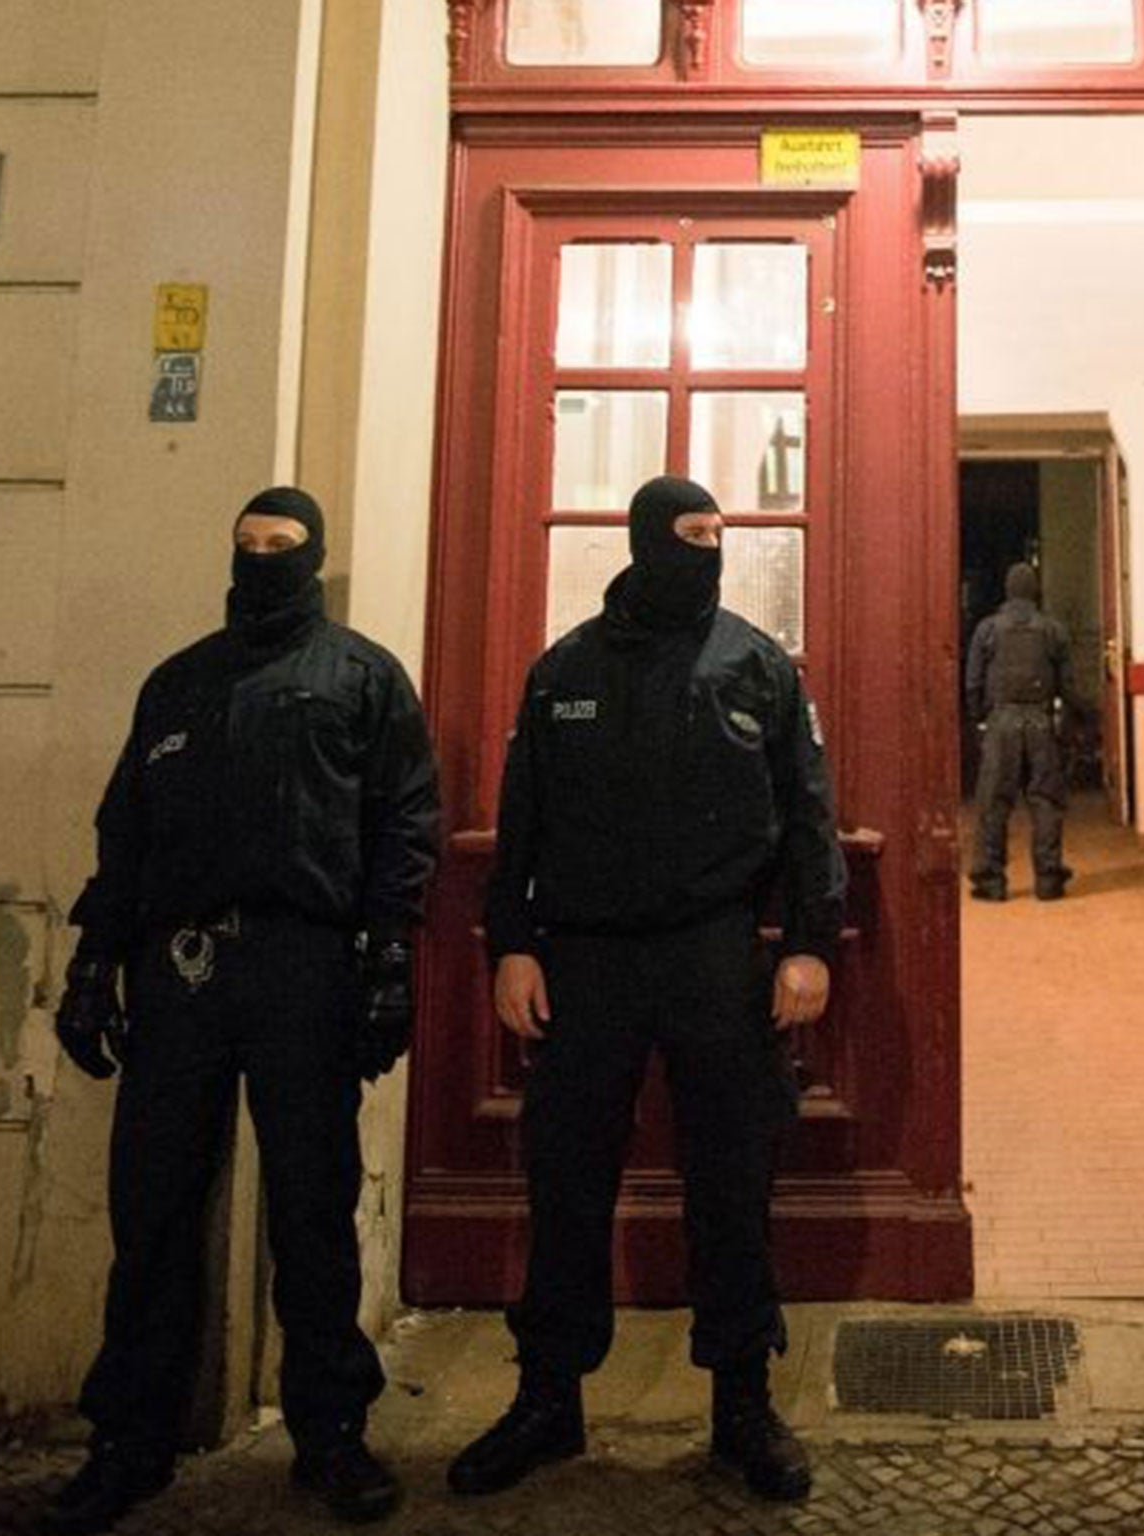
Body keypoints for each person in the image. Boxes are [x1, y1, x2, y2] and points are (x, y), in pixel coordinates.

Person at [43, 487, 440, 1534]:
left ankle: (332, 1435)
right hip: (180, 973)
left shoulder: (360, 677)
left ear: (313, 557)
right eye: (248, 546)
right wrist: (95, 960)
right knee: (155, 1207)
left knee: (312, 1208)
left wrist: (390, 958)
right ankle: (129, 1436)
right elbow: (124, 828)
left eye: (283, 547)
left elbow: (404, 821)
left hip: (304, 965)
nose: (263, 560)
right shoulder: (178, 683)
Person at [449, 475, 845, 1505]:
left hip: (715, 958)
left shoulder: (756, 667)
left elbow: (806, 818)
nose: (708, 550)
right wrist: (513, 945)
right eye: (690, 534)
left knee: (730, 1177)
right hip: (584, 962)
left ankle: (742, 1404)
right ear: (643, 542)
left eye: (718, 534)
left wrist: (809, 946)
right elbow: (520, 821)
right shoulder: (564, 672)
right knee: (565, 1176)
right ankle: (547, 1398)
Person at [964, 561, 1072, 902]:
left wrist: (980, 719)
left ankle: (992, 880)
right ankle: (1048, 879)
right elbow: (1068, 684)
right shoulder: (1053, 630)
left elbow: (973, 682)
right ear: (1035, 591)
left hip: (1001, 721)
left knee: (994, 803)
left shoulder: (988, 630)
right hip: (1040, 722)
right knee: (1045, 801)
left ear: (1008, 591)